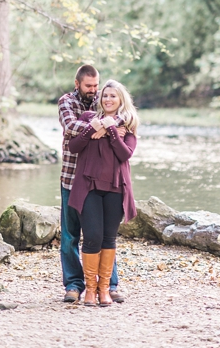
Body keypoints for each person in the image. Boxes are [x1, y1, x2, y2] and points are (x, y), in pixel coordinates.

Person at [57, 65, 125, 303]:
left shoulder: (102, 98)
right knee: (70, 236)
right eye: (89, 86)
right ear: (77, 84)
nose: (94, 90)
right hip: (72, 177)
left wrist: (106, 126)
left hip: (97, 181)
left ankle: (109, 284)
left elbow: (122, 116)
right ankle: (74, 285)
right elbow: (70, 128)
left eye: (96, 85)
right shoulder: (66, 102)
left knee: (104, 234)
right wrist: (96, 126)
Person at [68, 80, 138, 306]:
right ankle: (89, 290)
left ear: (121, 100)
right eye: (105, 95)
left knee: (108, 238)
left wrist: (109, 130)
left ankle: (104, 289)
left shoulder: (128, 125)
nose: (108, 99)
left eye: (113, 96)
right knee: (92, 237)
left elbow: (125, 154)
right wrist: (92, 130)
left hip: (116, 187)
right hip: (88, 186)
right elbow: (74, 146)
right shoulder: (88, 118)